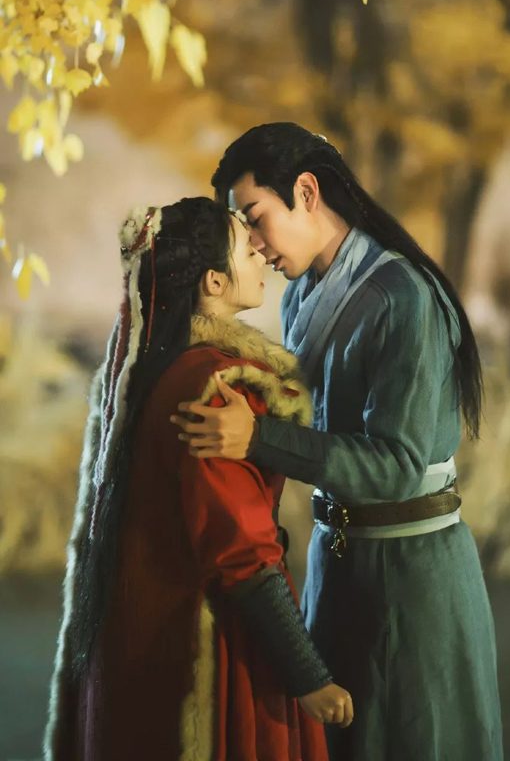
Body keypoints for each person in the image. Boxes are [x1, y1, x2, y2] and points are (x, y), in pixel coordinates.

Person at [172, 125, 504, 761]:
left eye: (257, 218)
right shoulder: (300, 297)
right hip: (336, 564)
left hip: (412, 579)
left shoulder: (403, 297)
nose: (254, 243)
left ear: (305, 191)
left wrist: (256, 438)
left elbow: (397, 468)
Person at [44, 197, 353, 761]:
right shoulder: (216, 389)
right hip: (209, 647)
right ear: (214, 282)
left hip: (146, 641)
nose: (259, 250)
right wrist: (307, 674)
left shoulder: (154, 373)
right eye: (245, 248)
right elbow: (240, 549)